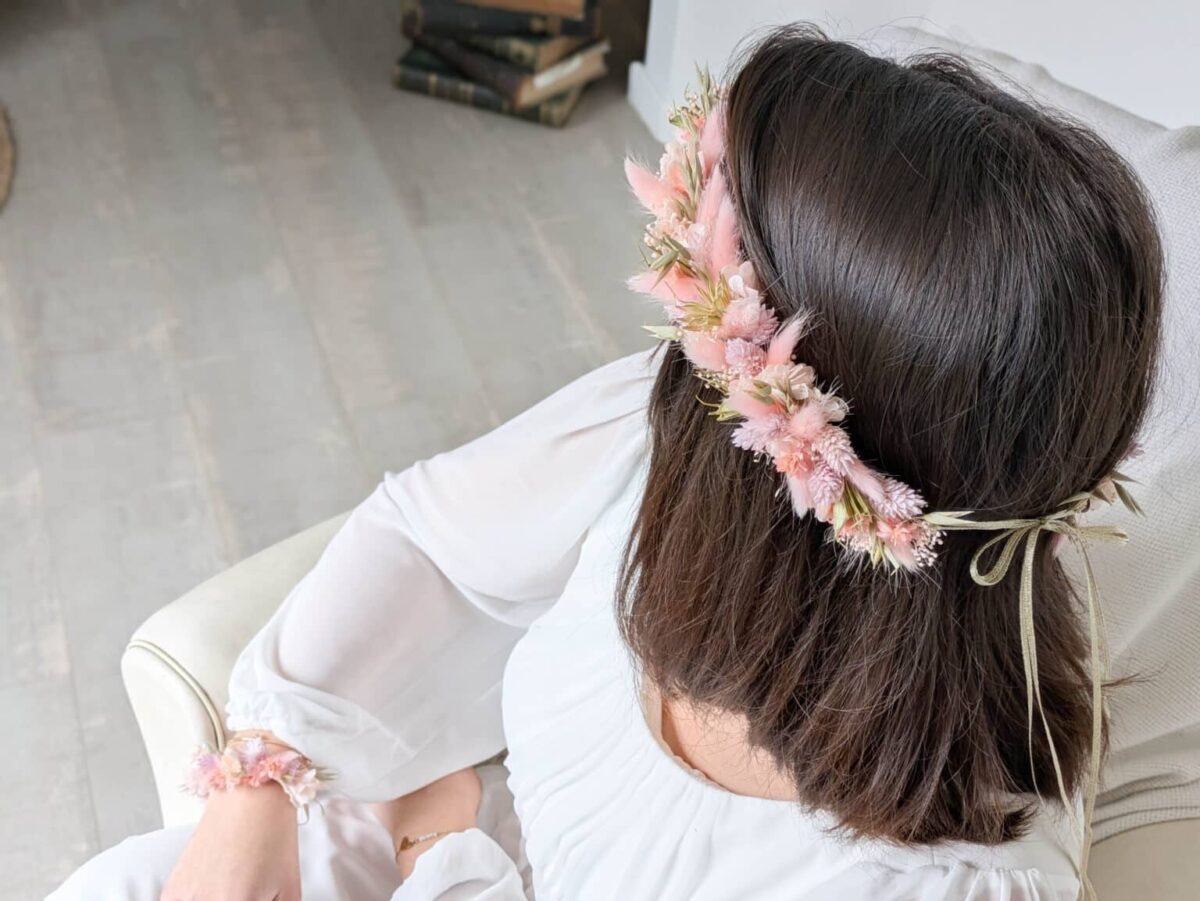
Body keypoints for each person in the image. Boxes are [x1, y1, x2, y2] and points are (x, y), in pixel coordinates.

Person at [50, 24, 1165, 901]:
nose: (679, 342)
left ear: (786, 422)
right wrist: (261, 773)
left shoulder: (927, 880)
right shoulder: (665, 438)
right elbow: (434, 537)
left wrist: (440, 859)